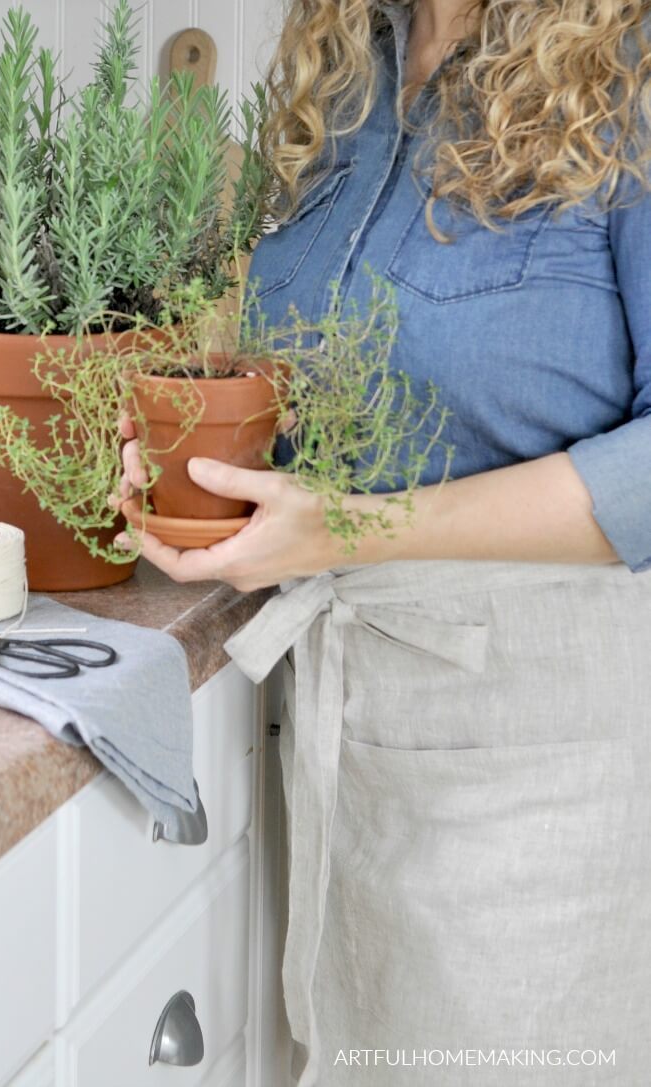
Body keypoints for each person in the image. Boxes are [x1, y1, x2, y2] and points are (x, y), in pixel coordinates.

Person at [114, 1, 651, 1083]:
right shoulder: (352, 59)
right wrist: (171, 437)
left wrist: (350, 528)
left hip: (549, 765)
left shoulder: (629, 69)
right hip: (348, 737)